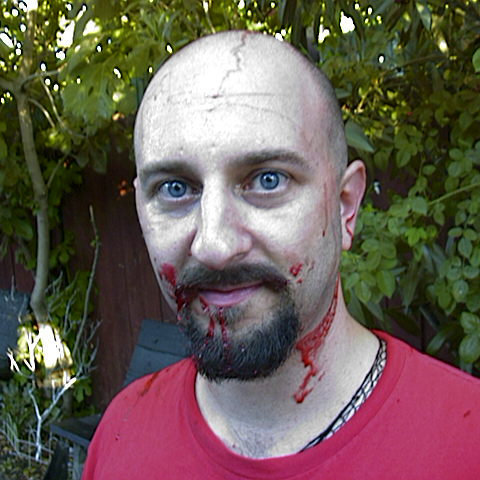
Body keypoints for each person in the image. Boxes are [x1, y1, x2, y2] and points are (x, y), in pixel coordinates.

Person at [82, 31, 480, 479]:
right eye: (176, 189)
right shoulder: (121, 434)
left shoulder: (468, 443)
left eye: (267, 180)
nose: (214, 246)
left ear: (346, 207)